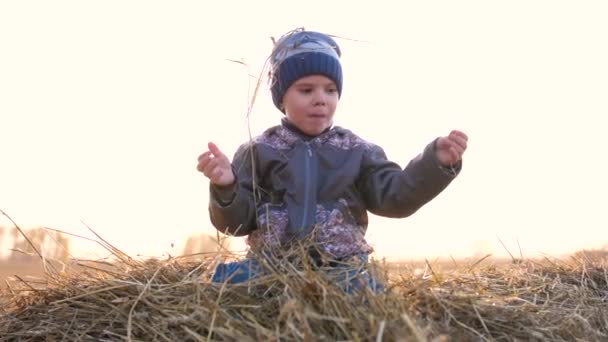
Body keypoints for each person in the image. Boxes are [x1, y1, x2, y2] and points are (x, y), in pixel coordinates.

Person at [196, 29, 468, 291]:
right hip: (272, 266)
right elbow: (236, 223)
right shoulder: (259, 151)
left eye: (330, 90)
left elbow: (395, 197)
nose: (320, 100)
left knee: (364, 291)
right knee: (227, 282)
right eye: (306, 90)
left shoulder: (358, 151)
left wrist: (434, 165)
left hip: (341, 267)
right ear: (282, 98)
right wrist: (226, 186)